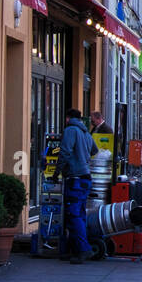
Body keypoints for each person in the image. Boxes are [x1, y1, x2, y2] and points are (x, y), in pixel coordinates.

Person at [57, 108, 97, 263]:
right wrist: (83, 156)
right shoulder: (86, 132)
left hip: (75, 178)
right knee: (79, 214)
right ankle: (74, 248)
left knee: (73, 215)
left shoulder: (70, 130)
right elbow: (94, 150)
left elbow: (64, 152)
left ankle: (83, 250)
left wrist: (56, 172)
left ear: (68, 118)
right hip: (86, 177)